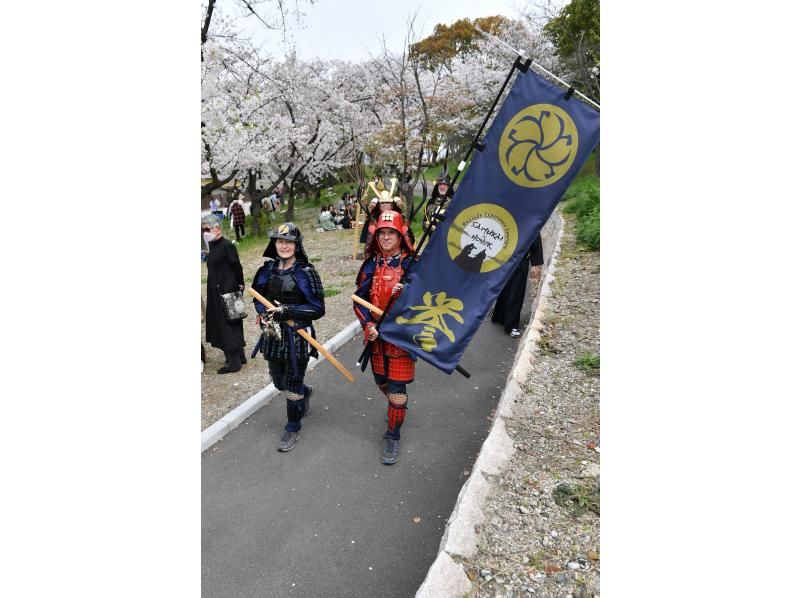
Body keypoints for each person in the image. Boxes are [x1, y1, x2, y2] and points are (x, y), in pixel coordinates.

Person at [251, 223, 325, 452]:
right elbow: (257, 298)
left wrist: (288, 311)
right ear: (274, 244)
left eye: (289, 241)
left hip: (298, 336)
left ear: (296, 245)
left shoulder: (306, 273)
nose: (284, 245)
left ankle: (292, 427)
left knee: (292, 386)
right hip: (273, 336)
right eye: (280, 241)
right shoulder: (266, 271)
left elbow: (318, 308)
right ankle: (305, 391)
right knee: (279, 382)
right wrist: (263, 313)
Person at [353, 211, 416, 465]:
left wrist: (409, 290)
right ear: (376, 236)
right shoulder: (370, 265)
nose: (387, 237)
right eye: (382, 233)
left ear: (401, 235)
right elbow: (359, 299)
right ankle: (395, 408)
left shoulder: (413, 263)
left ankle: (393, 435)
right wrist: (368, 324)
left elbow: (429, 297)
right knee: (382, 382)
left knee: (398, 392)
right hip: (376, 336)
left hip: (401, 337)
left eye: (391, 232)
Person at [202, 215, 248, 374]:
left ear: (218, 229)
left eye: (207, 229)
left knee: (227, 322)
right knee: (230, 320)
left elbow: (237, 266)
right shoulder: (214, 246)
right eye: (203, 230)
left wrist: (240, 283)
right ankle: (240, 357)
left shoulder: (227, 245)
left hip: (226, 287)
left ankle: (234, 363)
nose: (204, 232)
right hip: (217, 287)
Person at [491, 233, 544, 338]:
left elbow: (535, 234)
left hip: (521, 261)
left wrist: (535, 264)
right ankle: (499, 317)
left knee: (517, 293)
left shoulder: (533, 221)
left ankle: (512, 325)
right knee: (504, 289)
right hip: (506, 259)